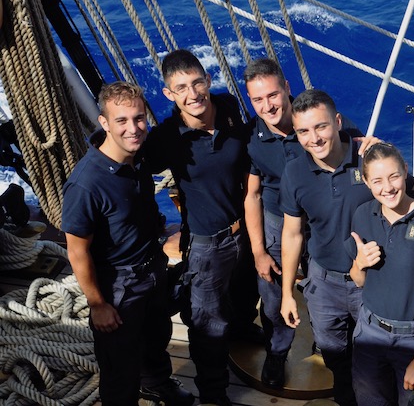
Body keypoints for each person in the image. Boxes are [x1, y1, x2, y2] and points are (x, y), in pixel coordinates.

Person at [279, 89, 414, 405]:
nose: (314, 138)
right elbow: (292, 234)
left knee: (379, 360)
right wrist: (286, 294)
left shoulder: (368, 159)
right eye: (303, 131)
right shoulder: (294, 173)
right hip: (324, 284)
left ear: (337, 122)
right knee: (335, 355)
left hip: (373, 279)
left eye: (321, 126)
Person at [61, 81, 194, 406]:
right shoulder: (86, 184)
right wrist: (98, 305)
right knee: (120, 366)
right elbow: (77, 251)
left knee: (155, 339)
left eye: (138, 118)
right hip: (119, 286)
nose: (133, 129)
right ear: (104, 123)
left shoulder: (139, 157)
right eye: (121, 120)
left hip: (152, 269)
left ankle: (156, 384)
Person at [242, 58, 370, 388]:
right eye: (258, 99)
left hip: (323, 220)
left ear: (287, 88)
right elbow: (252, 194)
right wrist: (258, 251)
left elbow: (364, 154)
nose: (268, 106)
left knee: (322, 285)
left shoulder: (318, 120)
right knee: (274, 295)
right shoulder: (252, 138)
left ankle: (326, 339)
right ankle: (277, 351)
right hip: (279, 222)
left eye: (273, 95)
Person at [144, 49, 250, 406]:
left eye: (197, 83)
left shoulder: (229, 107)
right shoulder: (167, 137)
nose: (193, 94)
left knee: (243, 293)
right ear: (168, 94)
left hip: (245, 231)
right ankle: (213, 395)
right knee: (208, 324)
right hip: (207, 244)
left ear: (207, 79)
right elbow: (132, 163)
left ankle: (243, 330)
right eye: (181, 88)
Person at [344, 142, 414, 406]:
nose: (388, 188)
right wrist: (359, 264)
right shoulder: (363, 215)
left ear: (405, 171)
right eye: (377, 181)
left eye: (394, 176)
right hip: (370, 334)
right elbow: (359, 281)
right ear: (366, 182)